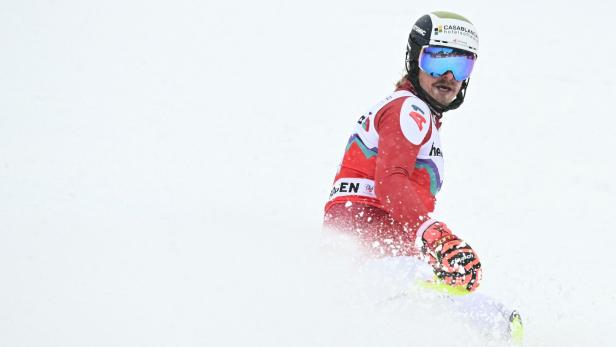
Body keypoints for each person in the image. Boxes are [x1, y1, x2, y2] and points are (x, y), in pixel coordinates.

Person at [324, 11, 482, 293]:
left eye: (460, 66)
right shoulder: (409, 108)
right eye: (436, 62)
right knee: (488, 321)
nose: (448, 76)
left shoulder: (417, 113)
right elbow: (391, 182)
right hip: (368, 237)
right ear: (414, 59)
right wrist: (436, 236)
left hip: (376, 243)